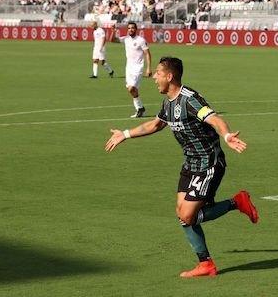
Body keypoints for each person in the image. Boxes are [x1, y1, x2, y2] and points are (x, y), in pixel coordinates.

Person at [104, 56, 259, 278]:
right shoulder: (168, 102)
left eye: (158, 73)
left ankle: (237, 202)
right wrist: (125, 134)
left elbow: (214, 118)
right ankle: (206, 263)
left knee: (187, 216)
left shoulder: (190, 99)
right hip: (190, 163)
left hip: (209, 163)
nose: (154, 77)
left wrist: (226, 135)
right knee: (182, 214)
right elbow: (156, 124)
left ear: (170, 76)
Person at [111, 22, 152, 118]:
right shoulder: (126, 39)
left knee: (131, 88)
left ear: (136, 29)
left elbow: (147, 53)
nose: (130, 30)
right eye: (129, 28)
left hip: (138, 67)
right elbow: (112, 40)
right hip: (128, 68)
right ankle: (140, 108)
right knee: (131, 90)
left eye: (132, 28)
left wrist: (148, 68)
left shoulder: (141, 40)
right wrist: (113, 31)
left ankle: (139, 108)